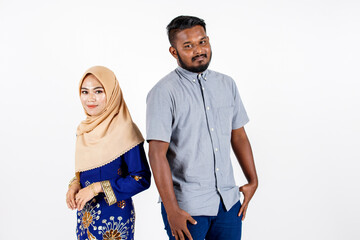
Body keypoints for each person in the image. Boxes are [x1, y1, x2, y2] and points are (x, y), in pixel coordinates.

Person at [146, 16, 258, 240]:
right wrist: (171, 210)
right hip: (187, 208)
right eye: (188, 46)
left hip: (228, 204)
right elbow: (156, 154)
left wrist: (253, 181)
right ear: (173, 51)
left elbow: (239, 136)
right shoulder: (163, 92)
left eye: (202, 41)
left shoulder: (227, 84)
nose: (198, 50)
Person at [66, 66, 151, 240]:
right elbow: (88, 169)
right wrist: (74, 184)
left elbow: (141, 179)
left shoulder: (126, 131)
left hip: (114, 221)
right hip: (86, 218)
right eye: (85, 91)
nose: (90, 98)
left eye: (98, 91)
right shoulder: (84, 131)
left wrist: (96, 188)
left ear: (112, 93)